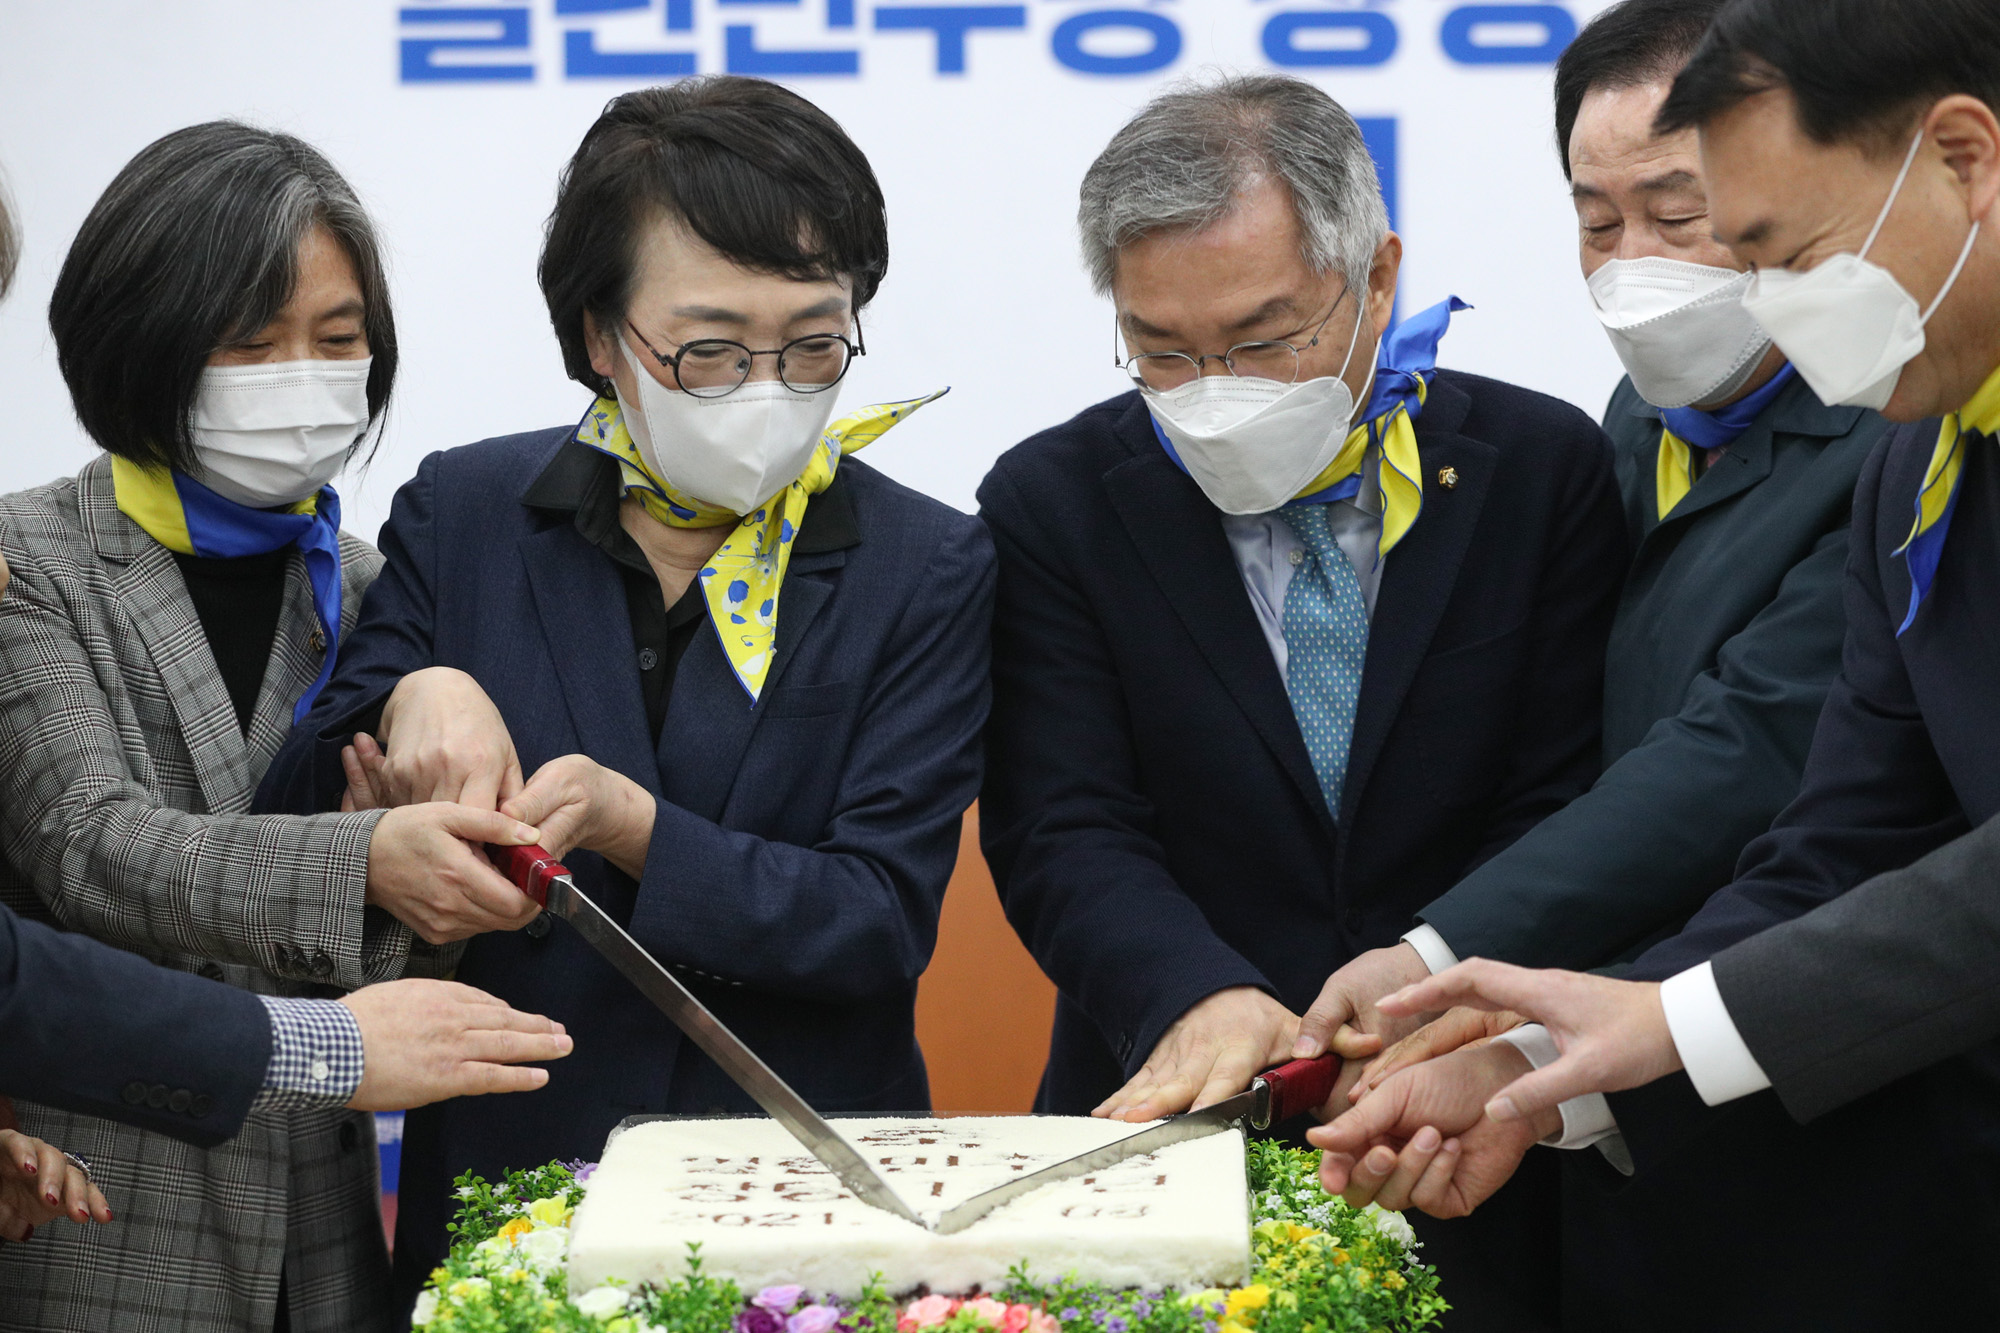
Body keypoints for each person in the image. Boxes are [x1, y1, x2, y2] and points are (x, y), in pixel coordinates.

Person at [253, 76, 993, 1308]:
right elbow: (296, 812)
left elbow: (875, 916)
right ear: (602, 338)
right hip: (509, 1195)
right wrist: (416, 692)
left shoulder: (927, 564)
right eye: (709, 350)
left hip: (797, 1211)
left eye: (813, 342)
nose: (768, 387)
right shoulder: (469, 512)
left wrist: (629, 824)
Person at [1314, 0, 2000, 1325]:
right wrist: (1547, 1067)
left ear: (1963, 154)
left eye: (1794, 252)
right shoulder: (1914, 457)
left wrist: (1671, 1028)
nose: (1779, 307)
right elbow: (1842, 839)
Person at [976, 73, 1627, 1329]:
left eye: (1266, 336)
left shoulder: (1539, 472)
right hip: (1166, 1126)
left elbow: (1564, 794)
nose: (1214, 384)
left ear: (1374, 276)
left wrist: (1441, 1008)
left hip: (1469, 1125)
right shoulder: (1050, 501)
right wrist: (1193, 994)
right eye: (1162, 349)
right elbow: (1062, 820)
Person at [0, 125, 551, 1331]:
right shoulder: (26, 561)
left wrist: (446, 881)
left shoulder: (372, 591)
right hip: (100, 1237)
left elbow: (383, 975)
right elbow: (89, 845)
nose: (301, 373)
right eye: (249, 341)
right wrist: (362, 857)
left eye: (338, 339)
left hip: (329, 1244)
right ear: (138, 344)